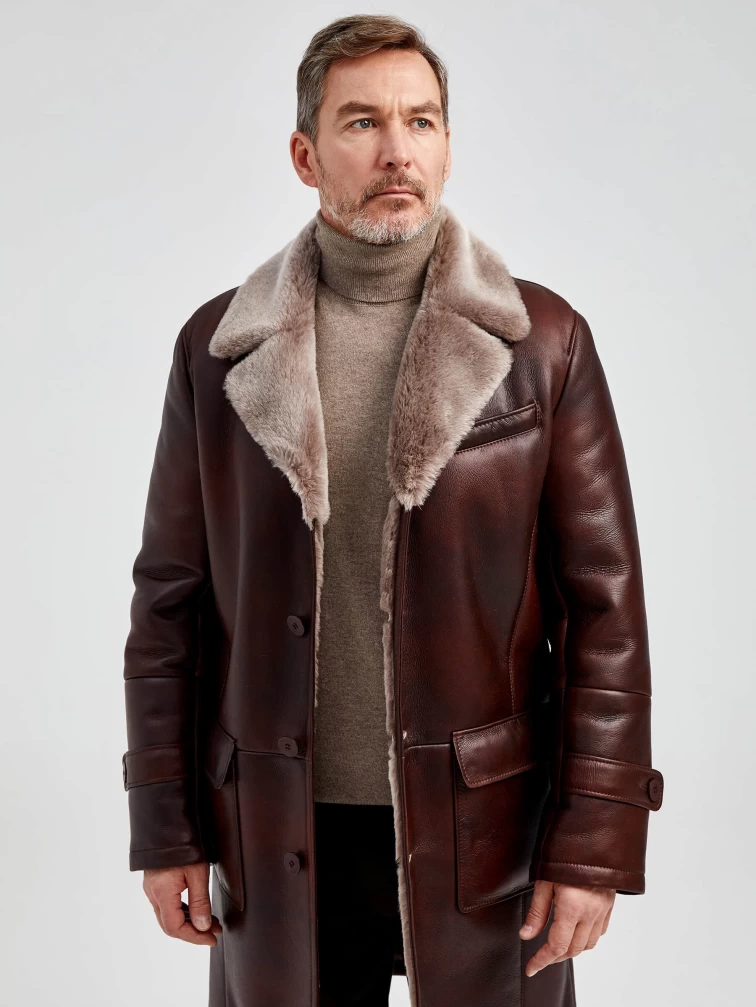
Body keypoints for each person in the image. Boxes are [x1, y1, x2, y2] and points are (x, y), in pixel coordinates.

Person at [121, 14, 663, 1007]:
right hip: (278, 831)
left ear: (447, 144)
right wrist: (165, 827)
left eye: (421, 120)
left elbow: (605, 614)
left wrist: (593, 840)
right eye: (363, 121)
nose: (397, 149)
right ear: (305, 154)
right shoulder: (219, 348)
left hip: (489, 831)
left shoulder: (541, 342)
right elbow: (169, 606)